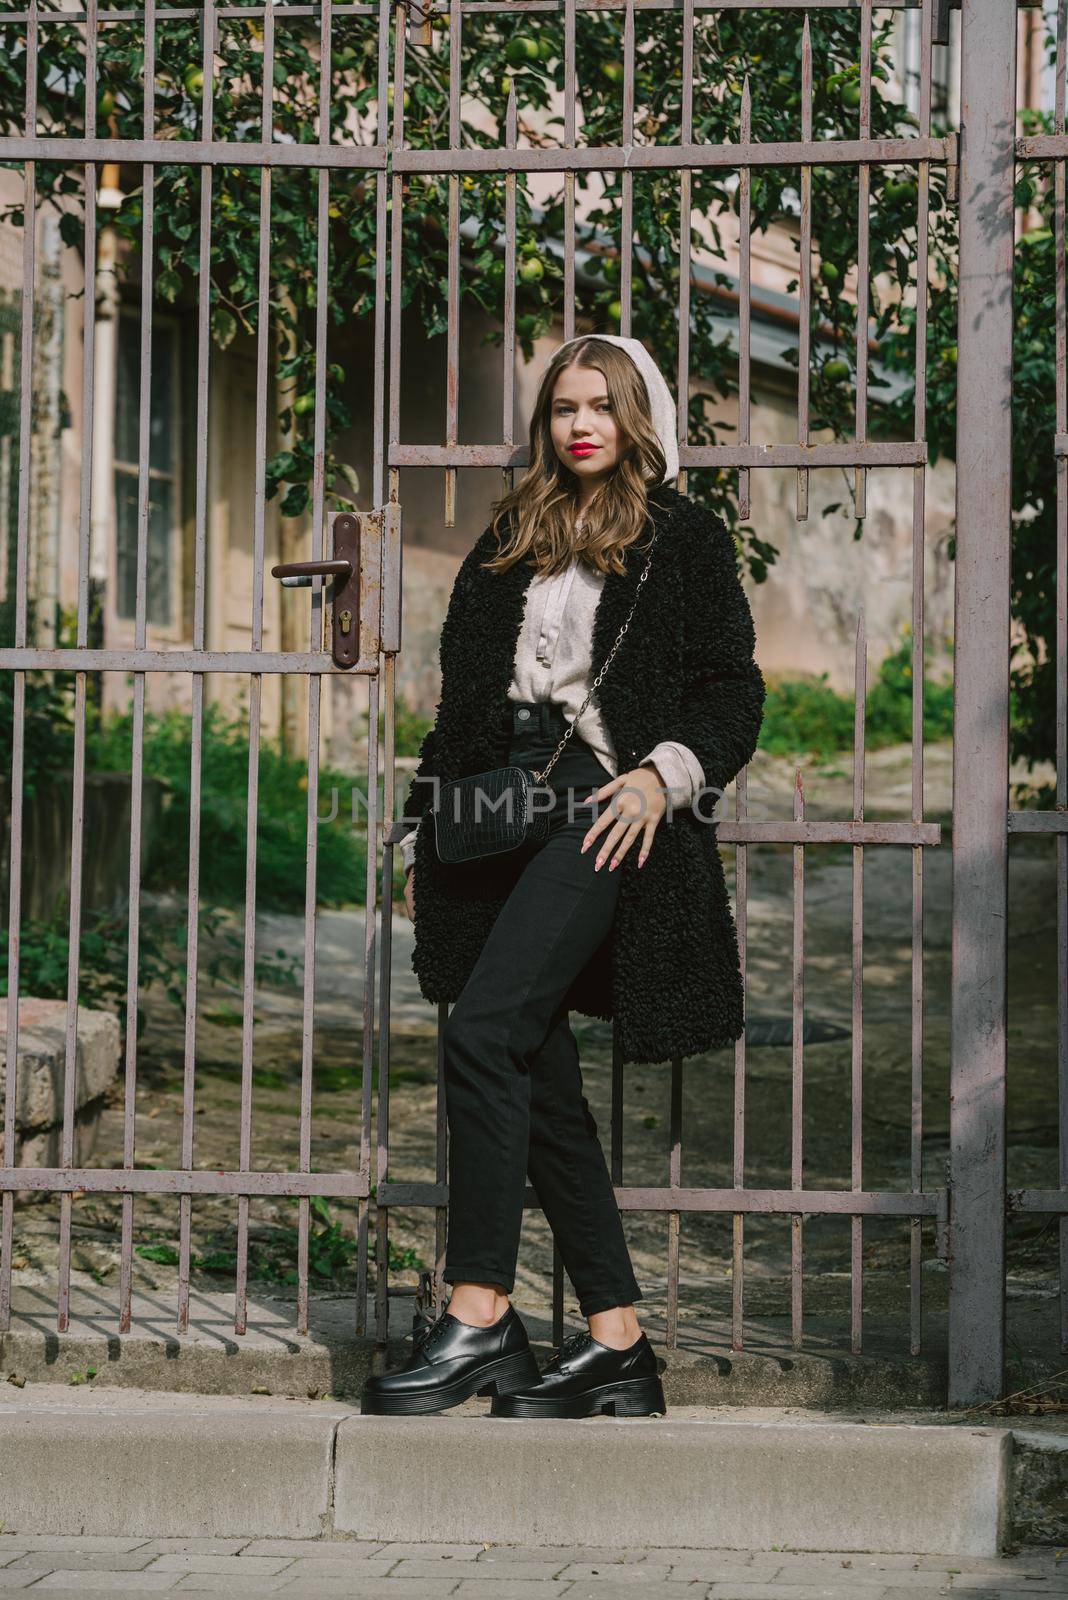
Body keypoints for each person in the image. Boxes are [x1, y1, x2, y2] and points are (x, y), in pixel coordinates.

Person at [360, 334, 765, 1420]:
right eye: (562, 408)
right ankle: (617, 1341)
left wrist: (661, 776)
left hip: (604, 811)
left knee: (482, 1032)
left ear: (638, 416)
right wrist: (427, 831)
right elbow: (460, 710)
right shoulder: (512, 536)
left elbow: (732, 690)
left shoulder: (682, 539)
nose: (580, 423)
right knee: (532, 1065)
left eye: (602, 404)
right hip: (501, 811)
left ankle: (480, 1312)